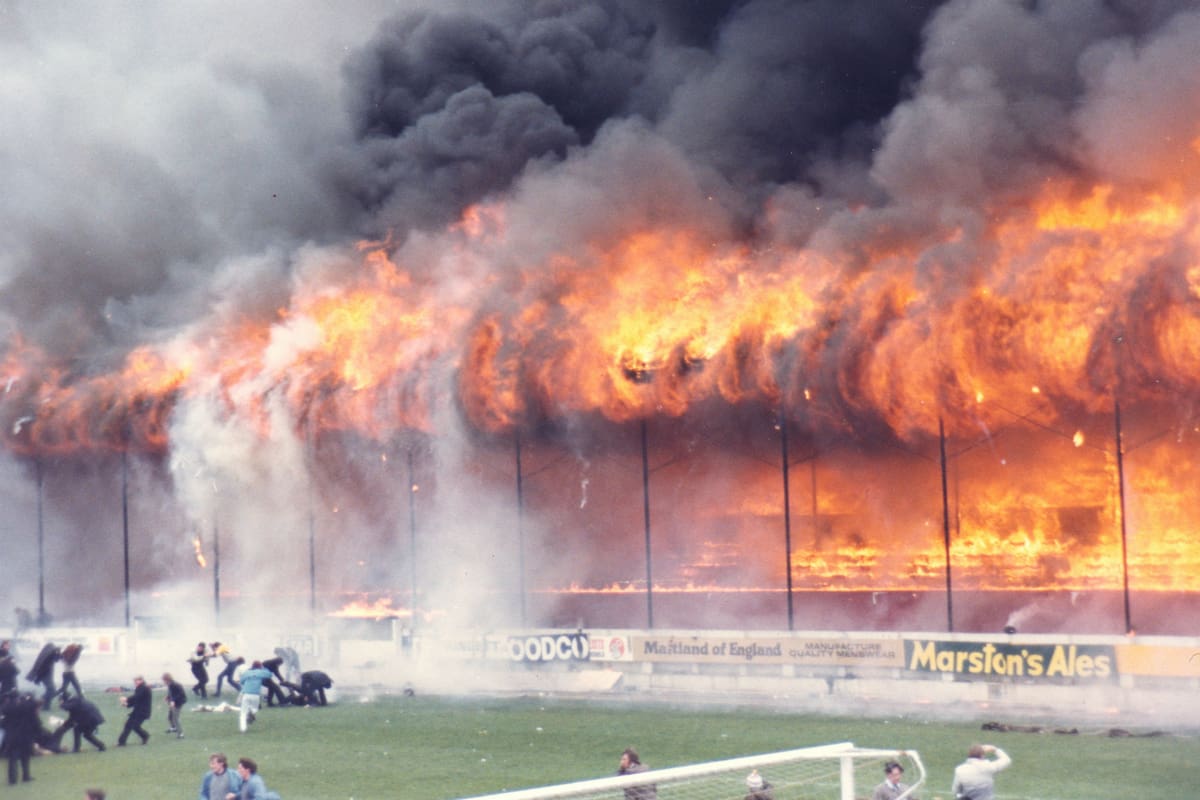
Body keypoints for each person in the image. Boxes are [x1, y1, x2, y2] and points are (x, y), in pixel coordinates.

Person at [0, 691, 40, 784]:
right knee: (25, 756)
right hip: (25, 735)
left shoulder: (5, 708)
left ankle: (12, 779)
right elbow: (34, 705)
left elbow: (2, 723)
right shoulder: (24, 706)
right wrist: (28, 697)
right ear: (18, 697)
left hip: (11, 736)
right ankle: (26, 776)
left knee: (12, 758)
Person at [236, 661, 272, 733]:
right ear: (260, 666)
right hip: (256, 695)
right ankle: (251, 713)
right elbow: (269, 675)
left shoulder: (247, 673)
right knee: (255, 708)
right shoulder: (260, 672)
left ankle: (243, 729)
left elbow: (241, 681)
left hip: (246, 694)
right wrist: (264, 668)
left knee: (243, 712)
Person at [116, 675, 152, 746]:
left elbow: (137, 696)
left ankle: (145, 736)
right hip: (137, 711)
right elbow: (137, 700)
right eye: (134, 681)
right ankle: (121, 742)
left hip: (142, 711)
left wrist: (126, 699)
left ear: (141, 680)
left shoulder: (144, 688)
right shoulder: (139, 688)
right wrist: (127, 704)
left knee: (134, 726)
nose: (135, 682)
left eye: (136, 681)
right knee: (129, 725)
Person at [164, 672, 187, 738]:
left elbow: (180, 694)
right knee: (170, 716)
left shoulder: (175, 685)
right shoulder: (170, 684)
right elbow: (171, 693)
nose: (164, 682)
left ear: (167, 679)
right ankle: (174, 728)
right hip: (173, 702)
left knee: (175, 718)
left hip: (178, 703)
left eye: (164, 680)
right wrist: (168, 697)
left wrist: (173, 700)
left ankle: (181, 733)